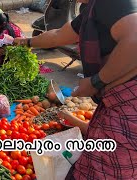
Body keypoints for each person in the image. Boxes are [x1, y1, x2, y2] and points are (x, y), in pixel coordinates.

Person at [14, 0, 137, 179]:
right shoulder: (92, 10)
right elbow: (57, 35)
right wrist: (26, 42)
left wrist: (95, 82)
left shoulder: (113, 3)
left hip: (128, 109)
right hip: (112, 105)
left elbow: (135, 40)